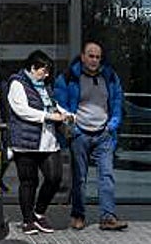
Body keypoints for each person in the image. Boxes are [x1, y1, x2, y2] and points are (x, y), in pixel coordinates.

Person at [54, 41, 129, 231]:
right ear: (83, 56)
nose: (94, 60)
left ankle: (108, 217)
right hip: (80, 135)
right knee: (79, 178)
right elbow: (60, 105)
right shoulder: (69, 77)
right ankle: (78, 215)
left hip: (104, 134)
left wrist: (112, 125)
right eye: (91, 56)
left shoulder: (110, 76)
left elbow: (117, 101)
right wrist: (74, 129)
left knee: (107, 176)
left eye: (98, 57)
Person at [6, 49, 68, 235]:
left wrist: (68, 115)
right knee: (28, 182)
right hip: (25, 143)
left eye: (48, 71)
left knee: (55, 178)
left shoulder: (44, 86)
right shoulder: (17, 84)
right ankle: (27, 221)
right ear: (33, 67)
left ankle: (39, 213)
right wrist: (49, 116)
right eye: (44, 70)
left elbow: (54, 106)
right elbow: (21, 110)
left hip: (48, 142)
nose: (46, 74)